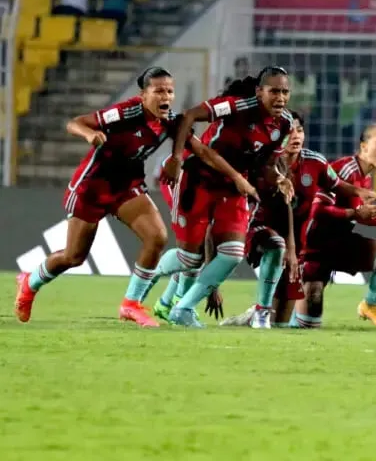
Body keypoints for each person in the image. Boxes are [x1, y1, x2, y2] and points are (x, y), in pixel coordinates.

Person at [14, 67, 252, 326]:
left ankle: (131, 304)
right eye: (158, 90)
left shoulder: (170, 121)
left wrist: (237, 177)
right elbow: (75, 122)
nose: (166, 96)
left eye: (170, 91)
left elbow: (203, 152)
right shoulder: (127, 112)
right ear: (143, 95)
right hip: (92, 188)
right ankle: (31, 281)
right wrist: (90, 134)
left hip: (127, 188)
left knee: (156, 237)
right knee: (73, 257)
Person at [152, 67, 296, 327]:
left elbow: (266, 163)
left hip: (232, 187)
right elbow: (189, 116)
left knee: (232, 253)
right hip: (198, 180)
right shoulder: (234, 107)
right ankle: (148, 276)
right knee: (190, 258)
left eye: (285, 92)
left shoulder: (283, 124)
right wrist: (175, 157)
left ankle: (182, 308)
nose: (281, 97)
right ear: (259, 91)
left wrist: (280, 178)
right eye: (274, 91)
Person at [219, 115, 376, 328]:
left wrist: (359, 191)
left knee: (281, 320)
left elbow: (337, 184)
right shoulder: (266, 161)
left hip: (296, 239)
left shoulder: (315, 162)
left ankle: (256, 314)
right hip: (260, 230)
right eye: (290, 131)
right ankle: (260, 311)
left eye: (300, 130)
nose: (296, 136)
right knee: (276, 247)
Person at [290, 123, 376, 330]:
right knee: (307, 322)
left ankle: (370, 306)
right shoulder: (345, 170)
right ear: (364, 147)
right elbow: (317, 210)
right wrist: (355, 213)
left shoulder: (365, 177)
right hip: (315, 247)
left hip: (340, 241)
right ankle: (265, 315)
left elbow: (363, 217)